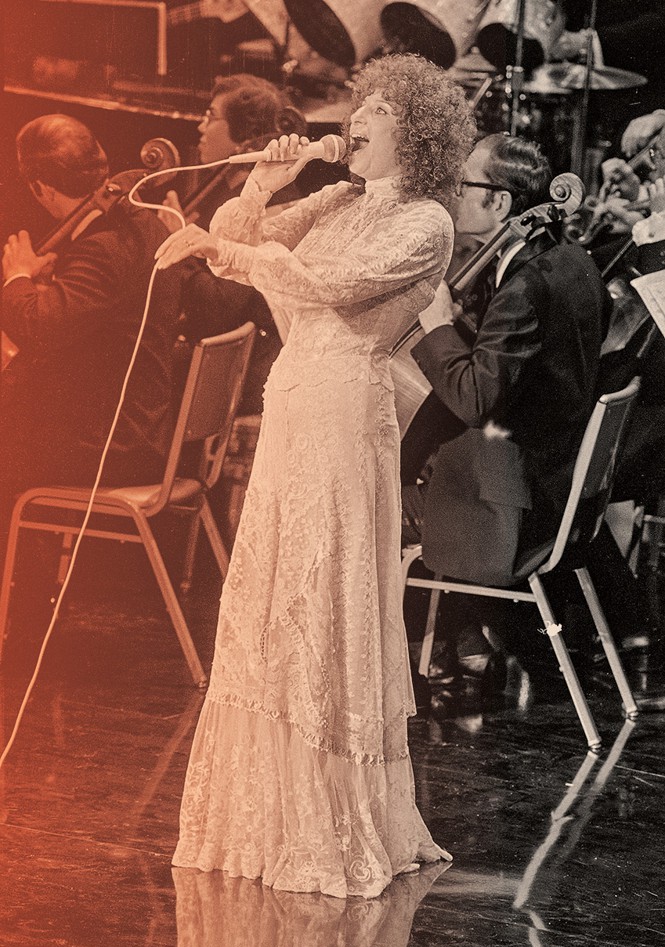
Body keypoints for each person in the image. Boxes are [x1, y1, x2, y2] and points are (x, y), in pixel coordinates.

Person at [155, 52, 476, 898]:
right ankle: (265, 810)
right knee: (273, 590)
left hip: (344, 413)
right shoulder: (338, 197)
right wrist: (269, 182)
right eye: (357, 104)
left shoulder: (428, 224)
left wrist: (238, 246)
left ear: (412, 130)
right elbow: (237, 250)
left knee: (324, 587)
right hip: (296, 399)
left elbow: (328, 286)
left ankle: (332, 815)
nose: (353, 118)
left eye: (372, 108)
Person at [404, 134, 612, 680]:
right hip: (562, 490)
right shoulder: (575, 264)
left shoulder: (525, 287)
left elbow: (476, 398)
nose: (450, 195)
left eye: (461, 185)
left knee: (387, 484)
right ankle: (464, 633)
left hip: (515, 512)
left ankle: (421, 649)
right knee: (425, 451)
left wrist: (439, 325)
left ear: (498, 202)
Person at [1, 114, 181, 563]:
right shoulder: (147, 225)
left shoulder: (102, 247)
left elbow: (40, 330)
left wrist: (18, 277)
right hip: (135, 430)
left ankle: (18, 591)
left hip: (108, 447)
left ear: (41, 188)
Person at [162, 74, 309, 415]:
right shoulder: (228, 190)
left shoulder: (269, 205)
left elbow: (217, 308)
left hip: (241, 375)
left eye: (211, 116)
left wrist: (177, 238)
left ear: (244, 137)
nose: (201, 126)